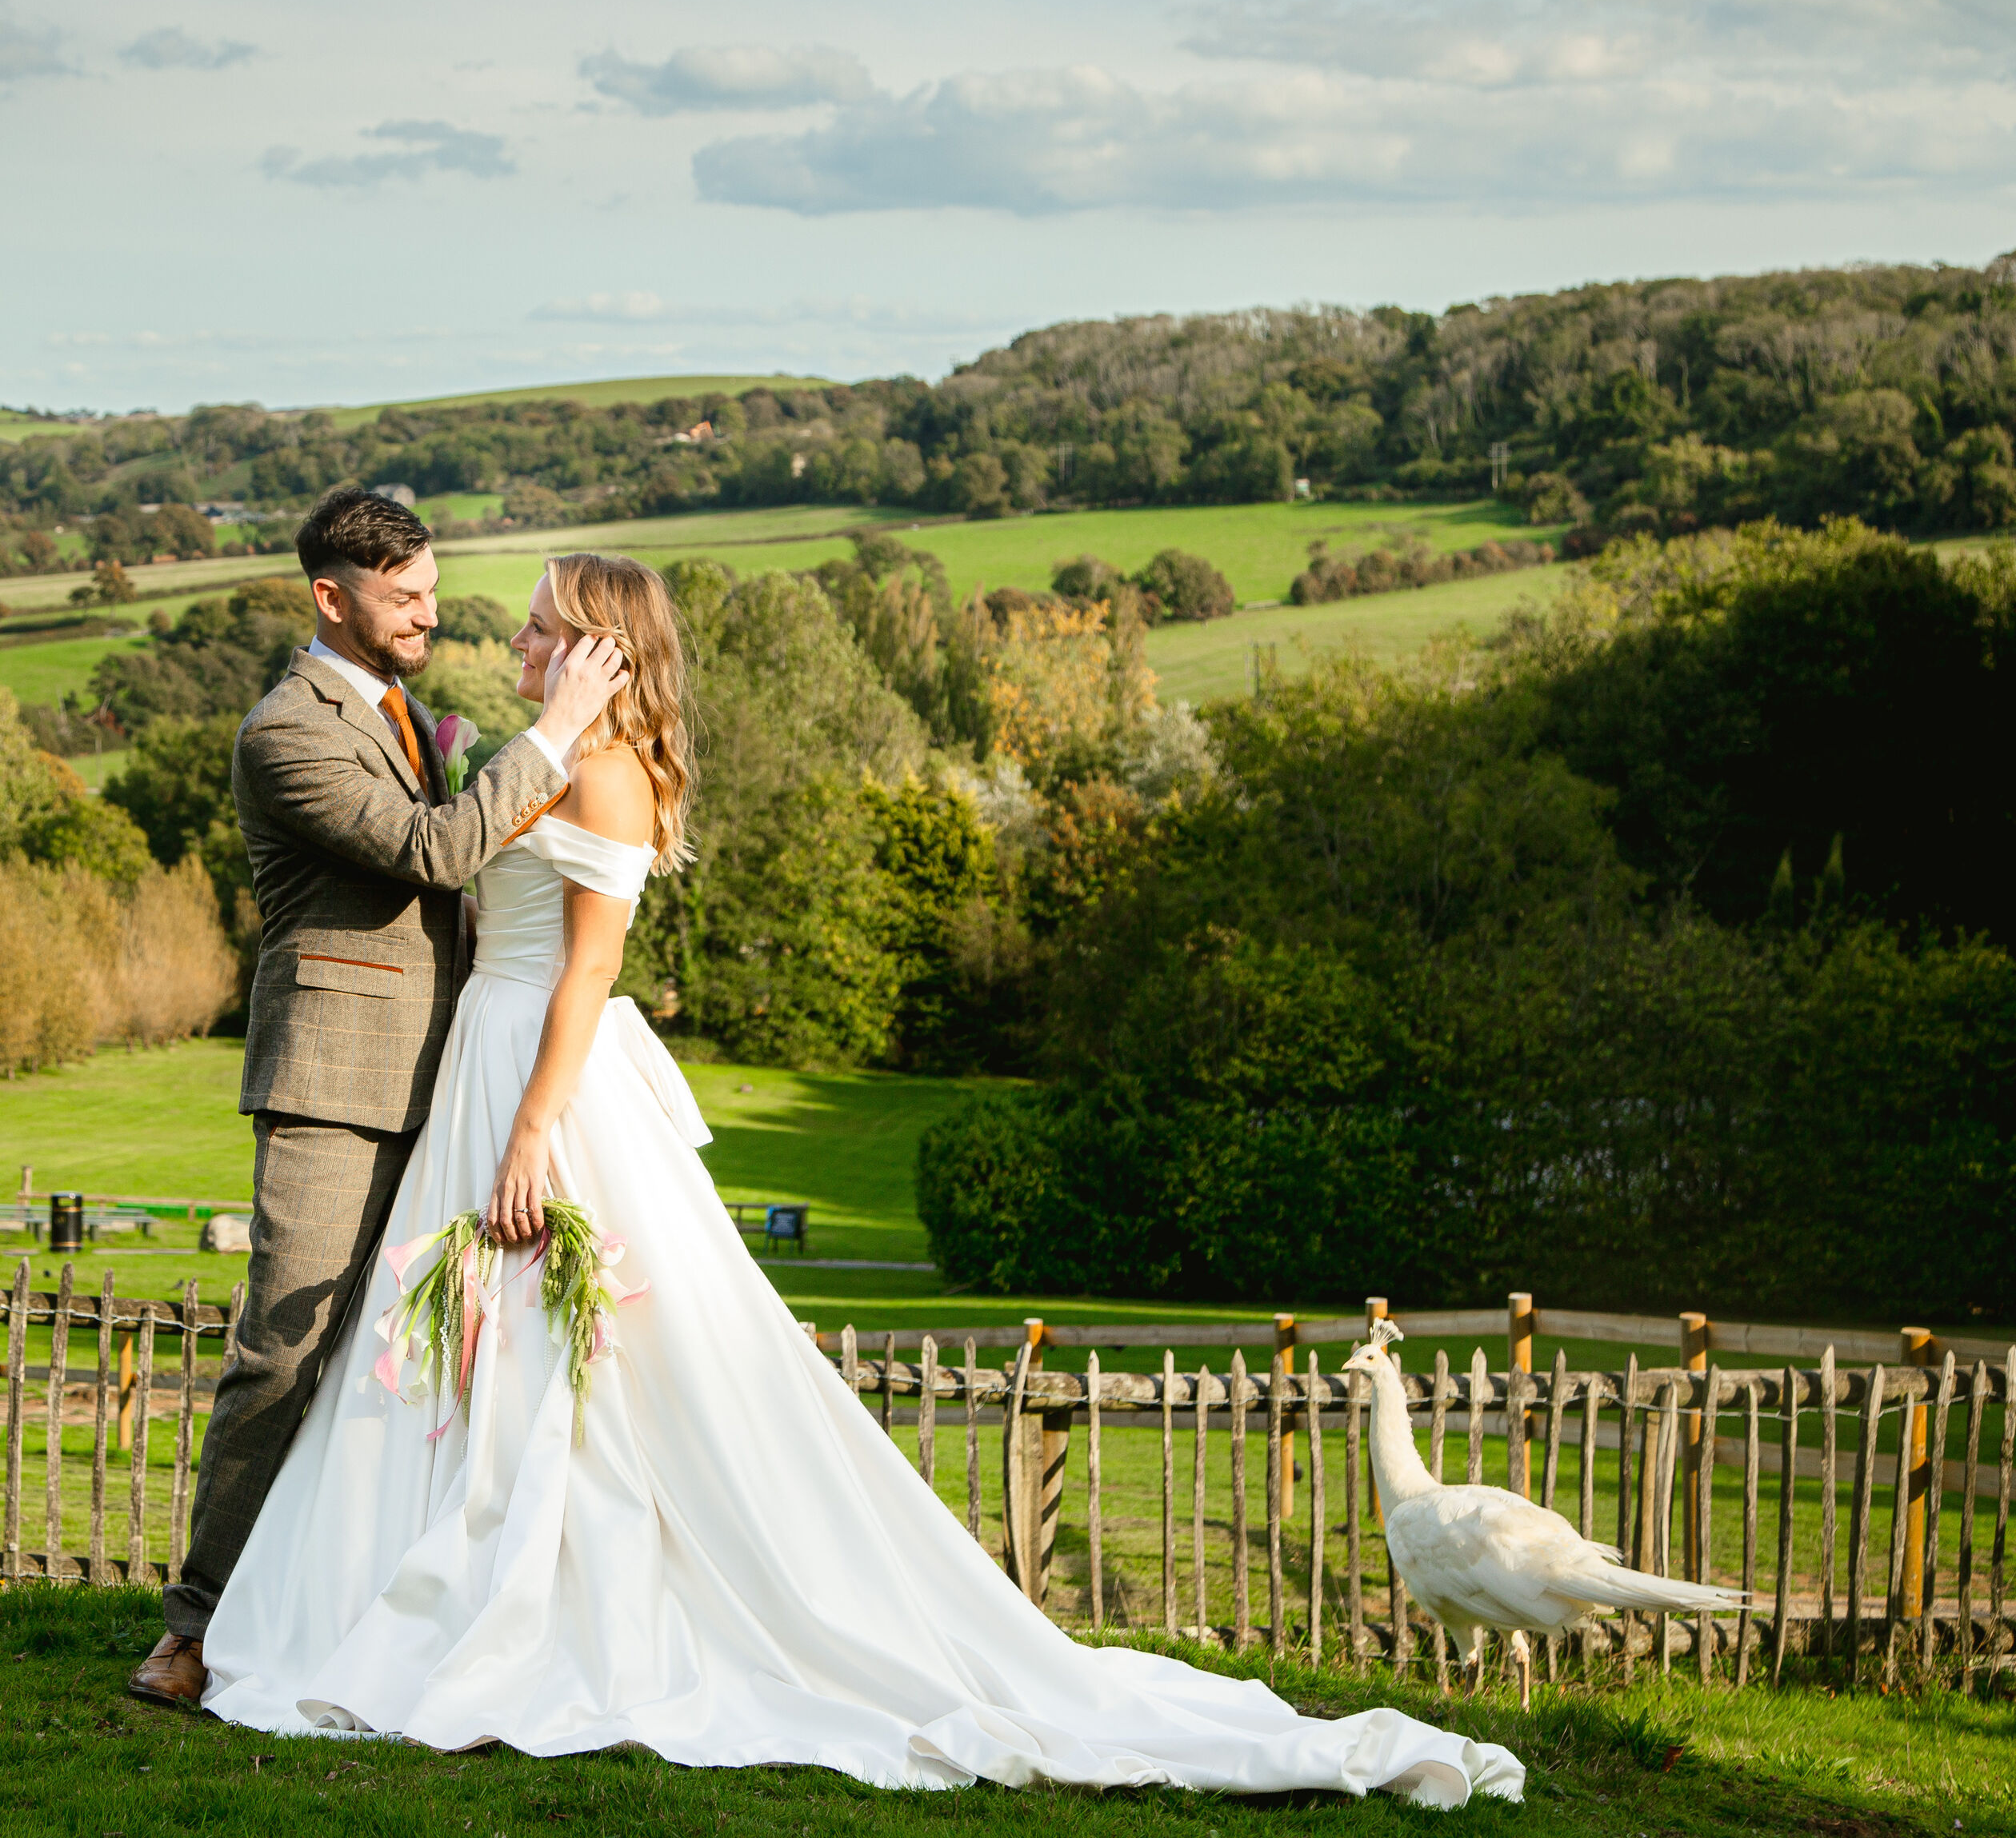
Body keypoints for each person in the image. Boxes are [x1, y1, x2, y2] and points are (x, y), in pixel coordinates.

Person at [191, 552, 1526, 1806]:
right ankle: (443, 1586)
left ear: (597, 647)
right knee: (479, 1354)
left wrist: (536, 1128)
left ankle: (544, 1597)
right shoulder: (538, 756)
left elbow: (588, 970)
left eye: (543, 622)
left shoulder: (600, 780)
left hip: (544, 1078)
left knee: (575, 1361)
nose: (518, 637)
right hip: (484, 1060)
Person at [130, 485, 630, 1708]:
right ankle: (195, 1627)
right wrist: (557, 730)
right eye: (401, 597)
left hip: (459, 1073)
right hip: (338, 1082)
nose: (426, 614)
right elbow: (434, 853)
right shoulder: (283, 731)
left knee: (423, 1359)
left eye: (432, 592)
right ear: (329, 597)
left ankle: (373, 1608)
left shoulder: (413, 716)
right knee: (287, 1346)